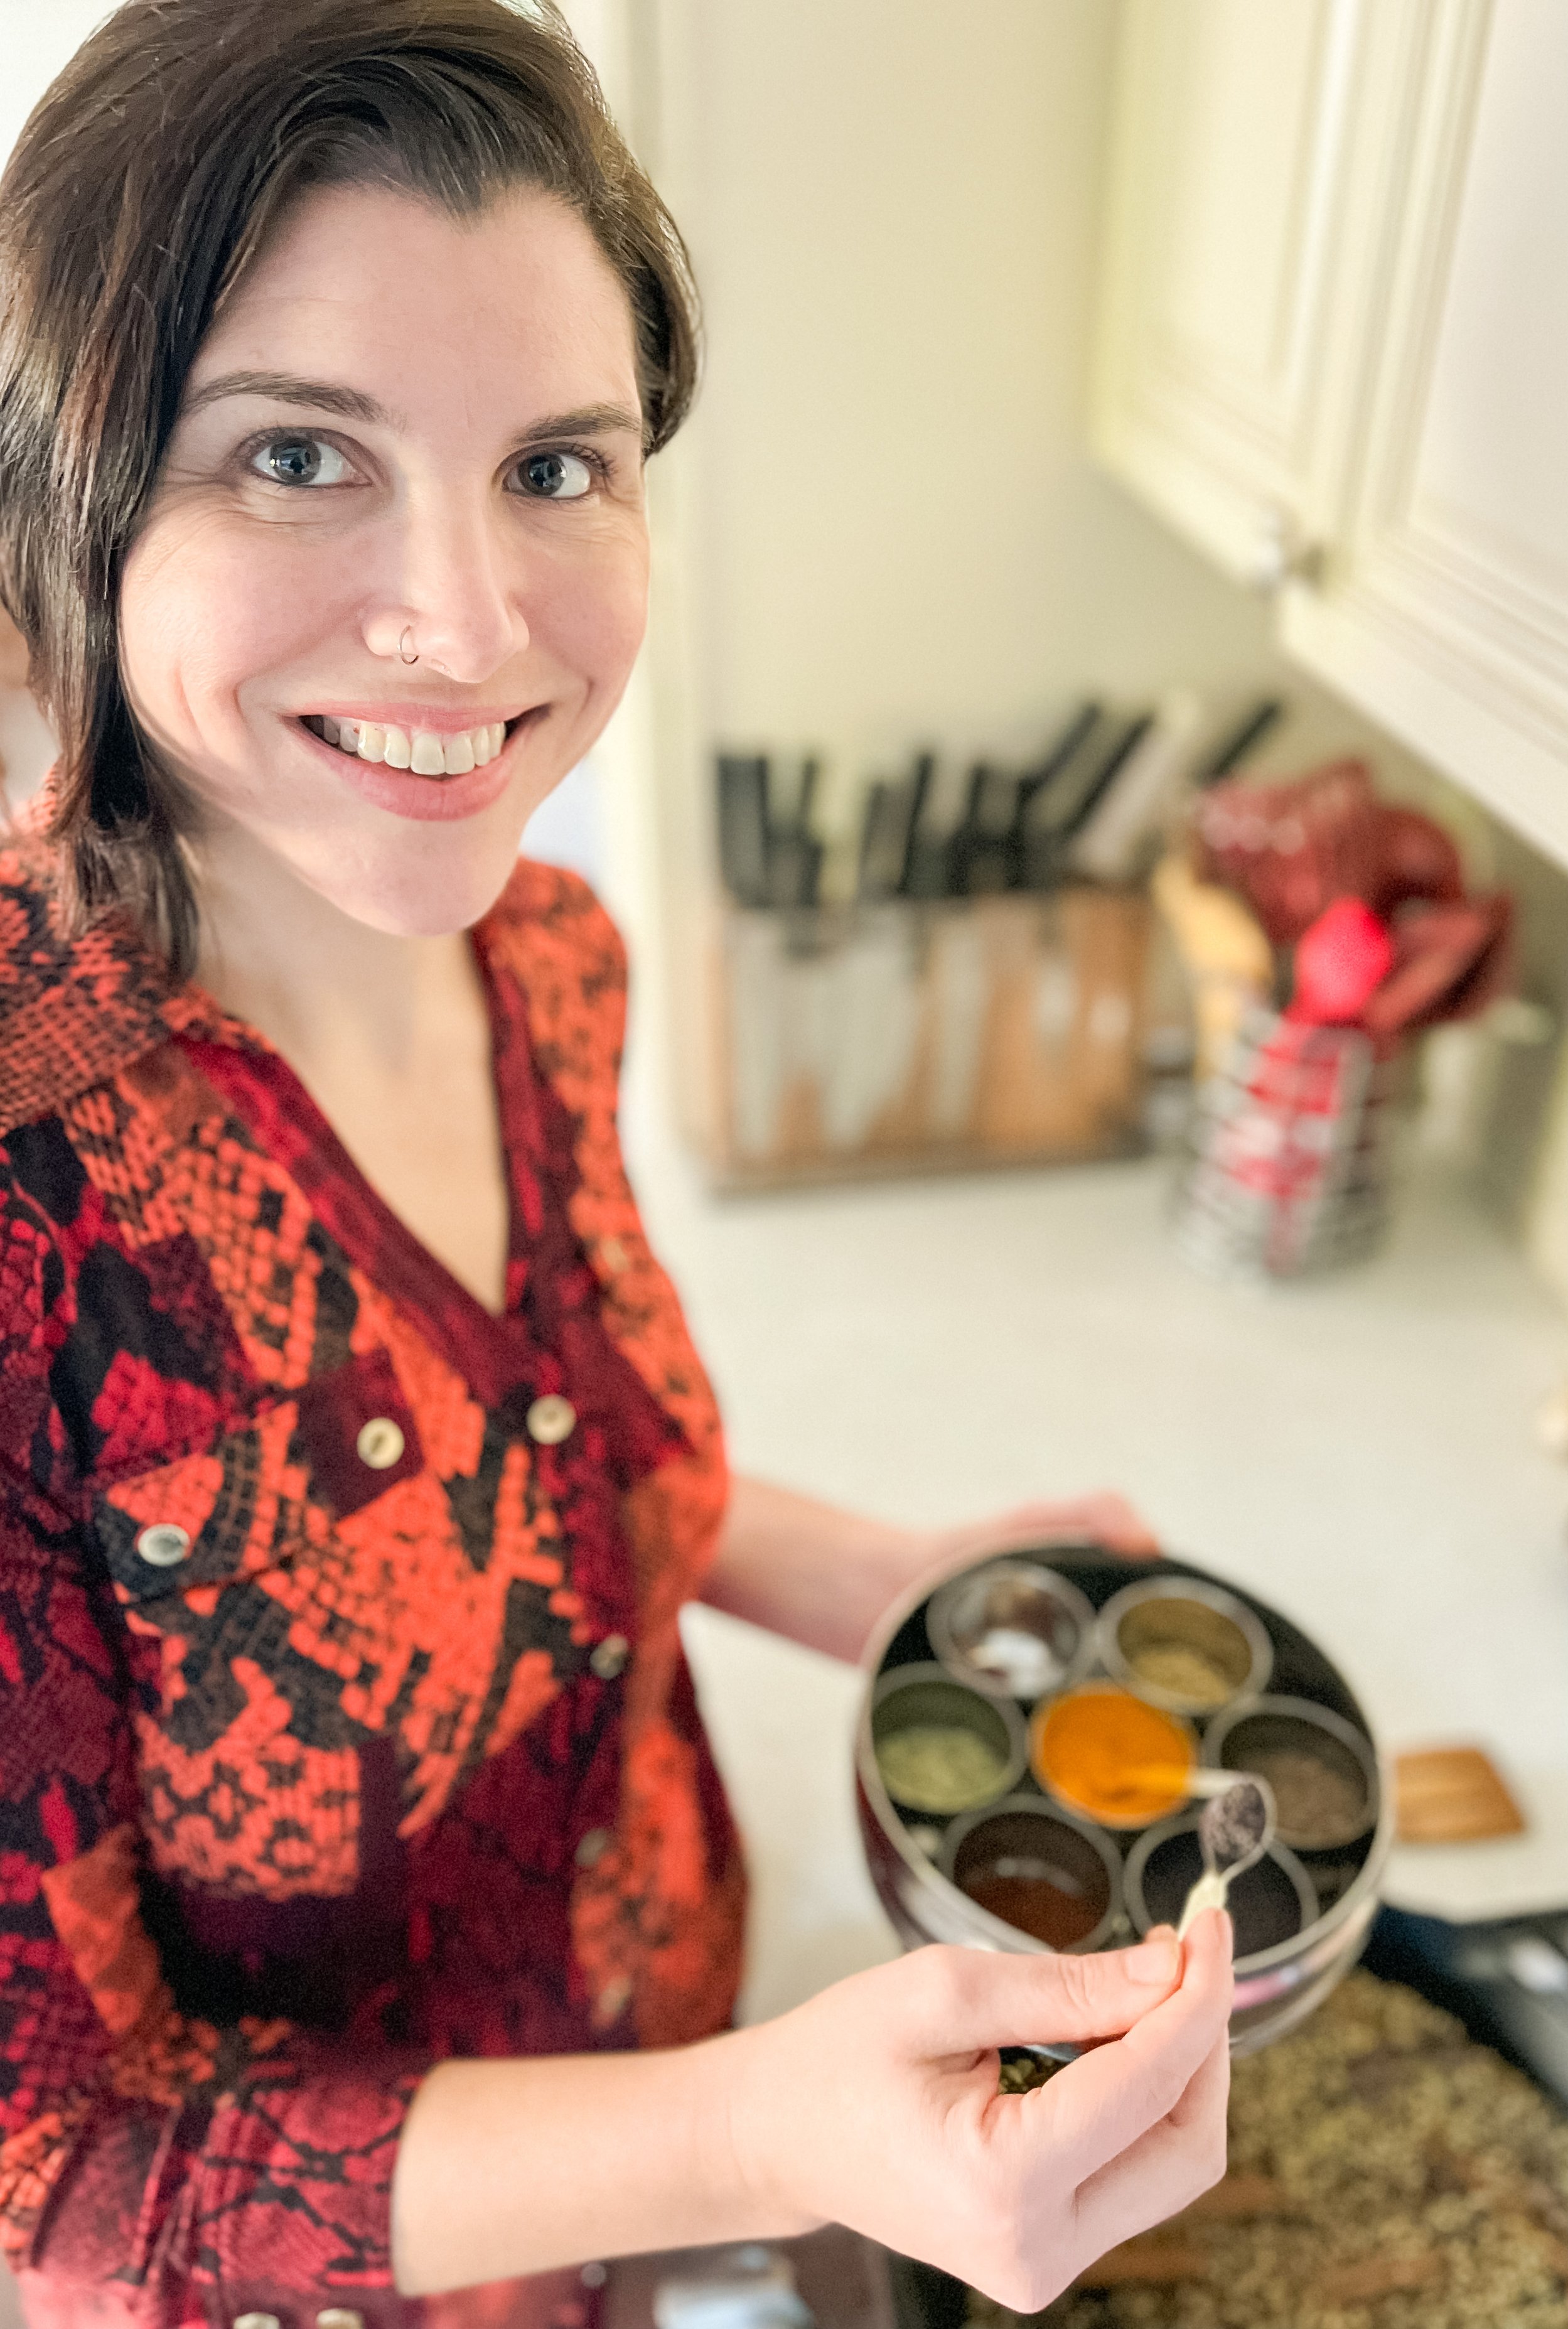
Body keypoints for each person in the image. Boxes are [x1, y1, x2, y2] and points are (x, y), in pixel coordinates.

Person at [0, 4, 1233, 2323]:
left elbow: (515, 1470)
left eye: (555, 465)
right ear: (63, 495)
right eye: (295, 456)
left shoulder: (548, 961)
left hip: (667, 2091)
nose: (468, 623)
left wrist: (880, 1580)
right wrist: (761, 2130)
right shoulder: (33, 1201)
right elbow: (51, 2169)